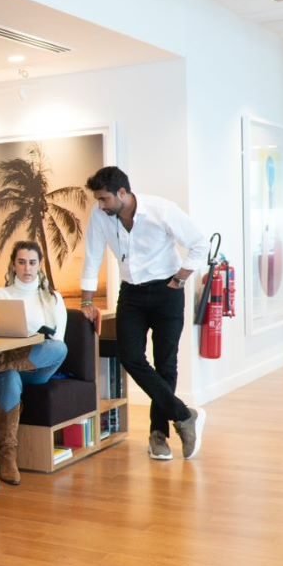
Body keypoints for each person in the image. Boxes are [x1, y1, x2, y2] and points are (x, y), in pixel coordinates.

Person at [79, 167, 210, 461]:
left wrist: (180, 278)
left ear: (122, 193)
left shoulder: (161, 210)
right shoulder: (101, 217)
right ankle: (184, 415)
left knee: (166, 364)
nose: (100, 205)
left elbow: (199, 244)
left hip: (167, 291)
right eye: (98, 200)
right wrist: (87, 301)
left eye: (104, 199)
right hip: (132, 294)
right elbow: (92, 256)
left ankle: (158, 435)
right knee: (130, 357)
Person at [0, 241, 69, 486]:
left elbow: (57, 341)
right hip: (7, 372)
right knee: (10, 376)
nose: (27, 268)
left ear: (39, 265)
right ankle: (8, 458)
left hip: (38, 368)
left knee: (59, 348)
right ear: (13, 265)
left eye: (32, 262)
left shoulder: (53, 298)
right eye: (21, 262)